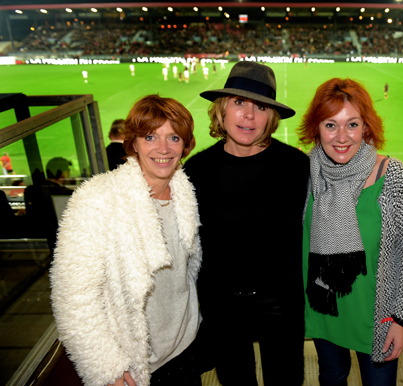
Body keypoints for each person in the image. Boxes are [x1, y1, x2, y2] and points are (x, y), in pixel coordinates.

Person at [50, 95, 204, 386]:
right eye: (150, 137)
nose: (163, 148)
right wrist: (107, 368)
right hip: (135, 366)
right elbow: (73, 298)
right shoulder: (98, 199)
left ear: (186, 145)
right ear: (133, 144)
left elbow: (186, 275)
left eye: (174, 137)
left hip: (185, 348)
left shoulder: (185, 193)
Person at [183, 61, 309, 386]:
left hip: (282, 302)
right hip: (222, 304)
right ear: (222, 110)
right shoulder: (196, 171)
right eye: (239, 103)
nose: (249, 115)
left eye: (261, 106)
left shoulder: (297, 167)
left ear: (271, 117)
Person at [298, 78, 403, 386]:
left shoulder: (392, 175)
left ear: (366, 127)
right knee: (331, 377)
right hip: (324, 308)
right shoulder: (307, 174)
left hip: (376, 317)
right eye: (331, 125)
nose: (342, 137)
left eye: (352, 124)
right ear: (317, 128)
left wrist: (400, 318)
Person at [24, 157, 74, 250]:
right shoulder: (67, 193)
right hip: (60, 241)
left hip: (37, 238)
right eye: (68, 170)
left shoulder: (30, 190)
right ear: (63, 173)